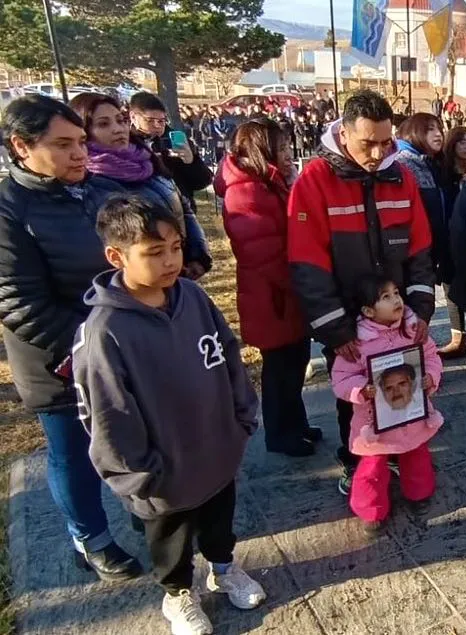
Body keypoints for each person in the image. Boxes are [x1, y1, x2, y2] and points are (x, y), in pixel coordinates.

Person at [73, 195, 265, 635]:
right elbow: (107, 413)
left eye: (176, 247)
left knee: (219, 520)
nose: (170, 261)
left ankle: (223, 568)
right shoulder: (105, 332)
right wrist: (139, 475)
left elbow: (227, 354)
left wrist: (240, 419)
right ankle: (178, 594)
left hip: (216, 447)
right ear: (116, 257)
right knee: (171, 539)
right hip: (161, 469)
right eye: (154, 252)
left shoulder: (193, 297)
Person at [0, 95, 141, 581]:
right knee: (74, 452)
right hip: (57, 360)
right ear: (22, 146)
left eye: (81, 141)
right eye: (62, 145)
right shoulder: (9, 211)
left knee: (131, 438)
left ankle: (142, 508)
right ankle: (91, 538)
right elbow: (19, 303)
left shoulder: (101, 191)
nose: (80, 153)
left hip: (123, 346)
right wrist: (94, 347)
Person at [287, 90, 436, 496]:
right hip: (347, 320)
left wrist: (421, 309)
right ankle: (357, 461)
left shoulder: (401, 177)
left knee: (401, 382)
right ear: (344, 133)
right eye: (367, 142)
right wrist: (336, 330)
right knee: (353, 396)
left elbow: (420, 250)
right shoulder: (314, 181)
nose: (377, 153)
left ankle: (398, 451)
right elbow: (307, 264)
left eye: (385, 142)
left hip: (397, 315)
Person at [221, 119, 320, 457]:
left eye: (288, 146)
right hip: (272, 297)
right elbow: (262, 251)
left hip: (288, 293)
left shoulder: (273, 183)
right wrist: (301, 281)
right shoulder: (245, 191)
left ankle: (297, 424)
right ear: (261, 151)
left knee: (295, 362)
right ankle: (280, 434)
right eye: (281, 148)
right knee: (280, 369)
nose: (288, 153)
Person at [331, 278, 442, 532]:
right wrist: (362, 390)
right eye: (386, 297)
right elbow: (341, 379)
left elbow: (431, 356)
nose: (396, 300)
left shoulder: (413, 329)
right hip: (374, 423)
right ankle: (370, 510)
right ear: (369, 311)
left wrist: (430, 376)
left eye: (397, 293)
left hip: (412, 415)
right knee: (372, 467)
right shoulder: (357, 343)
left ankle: (419, 494)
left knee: (417, 454)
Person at [71, 93, 213, 280]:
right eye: (103, 124)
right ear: (82, 131)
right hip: (139, 282)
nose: (118, 129)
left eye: (120, 121)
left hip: (179, 271)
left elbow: (184, 209)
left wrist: (197, 256)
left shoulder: (146, 161)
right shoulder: (89, 183)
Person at [392, 114, 450, 349]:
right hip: (410, 252)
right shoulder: (404, 163)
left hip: (427, 250)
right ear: (414, 132)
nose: (438, 134)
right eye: (429, 129)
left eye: (439, 129)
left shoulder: (426, 162)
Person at [128, 92, 214, 221]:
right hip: (143, 217)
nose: (157, 126)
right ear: (133, 117)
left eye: (161, 121)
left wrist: (191, 161)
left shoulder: (175, 140)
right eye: (150, 120)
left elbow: (203, 182)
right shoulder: (124, 144)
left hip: (182, 216)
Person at [438, 126, 466, 365]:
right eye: (462, 141)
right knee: (450, 287)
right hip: (447, 239)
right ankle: (458, 338)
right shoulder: (443, 174)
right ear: (452, 146)